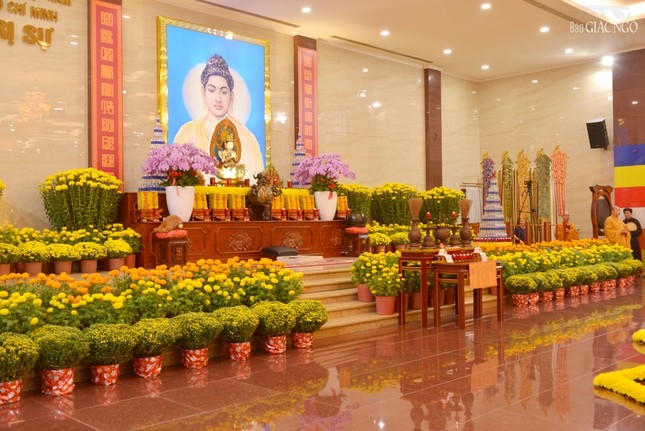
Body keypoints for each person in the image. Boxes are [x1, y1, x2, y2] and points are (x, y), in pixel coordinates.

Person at [173, 53, 264, 182]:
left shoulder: (248, 138)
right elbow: (177, 180)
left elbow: (257, 181)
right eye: (211, 90)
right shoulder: (187, 132)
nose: (218, 98)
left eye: (224, 92)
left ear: (231, 96)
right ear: (203, 92)